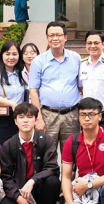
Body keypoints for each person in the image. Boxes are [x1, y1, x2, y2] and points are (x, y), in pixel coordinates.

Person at [0, 103, 61, 204]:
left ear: (36, 120)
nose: (25, 120)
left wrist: (32, 181)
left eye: (29, 117)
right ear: (15, 121)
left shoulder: (46, 140)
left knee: (54, 181)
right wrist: (18, 197)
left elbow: (52, 167)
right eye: (21, 117)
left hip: (40, 186)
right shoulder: (8, 145)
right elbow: (6, 176)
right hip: (20, 189)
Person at [28, 22, 82, 155]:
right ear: (47, 38)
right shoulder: (38, 61)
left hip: (72, 115)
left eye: (58, 35)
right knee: (46, 153)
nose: (55, 38)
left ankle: (68, 177)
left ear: (65, 37)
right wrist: (38, 118)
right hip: (47, 115)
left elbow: (80, 86)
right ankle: (48, 177)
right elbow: (33, 91)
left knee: (72, 152)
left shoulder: (75, 58)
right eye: (51, 35)